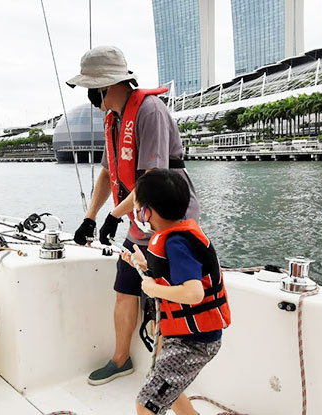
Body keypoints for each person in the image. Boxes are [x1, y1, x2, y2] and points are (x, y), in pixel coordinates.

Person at [67, 45, 200, 385]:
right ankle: (121, 359)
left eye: (90, 88)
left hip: (170, 221)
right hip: (139, 219)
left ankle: (167, 373)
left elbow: (153, 181)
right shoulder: (114, 120)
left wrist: (113, 215)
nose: (90, 95)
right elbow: (107, 174)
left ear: (105, 86)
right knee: (125, 287)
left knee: (166, 295)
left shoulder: (150, 111)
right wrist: (90, 216)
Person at [121, 169, 230, 415]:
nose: (137, 214)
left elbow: (194, 294)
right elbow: (175, 274)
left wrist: (151, 287)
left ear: (147, 211)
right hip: (189, 336)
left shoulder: (177, 243)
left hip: (194, 341)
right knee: (170, 388)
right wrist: (145, 265)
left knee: (147, 403)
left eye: (138, 207)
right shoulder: (174, 237)